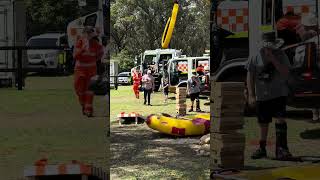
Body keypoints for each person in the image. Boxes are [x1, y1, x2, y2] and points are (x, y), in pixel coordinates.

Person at [246, 31, 293, 160]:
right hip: (262, 95)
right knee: (263, 123)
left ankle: (282, 149)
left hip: (279, 94)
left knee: (280, 119)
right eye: (265, 46)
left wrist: (273, 59)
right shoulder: (255, 55)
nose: (267, 48)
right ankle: (262, 149)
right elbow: (250, 76)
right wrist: (251, 95)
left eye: (270, 46)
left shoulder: (281, 54)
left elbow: (286, 73)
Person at [73, 26, 104, 117]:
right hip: (80, 70)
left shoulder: (95, 44)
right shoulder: (79, 42)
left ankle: (88, 110)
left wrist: (94, 61)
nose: (89, 36)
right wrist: (83, 48)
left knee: (90, 91)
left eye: (91, 34)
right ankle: (83, 105)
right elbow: (75, 56)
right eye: (88, 34)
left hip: (91, 70)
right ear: (84, 34)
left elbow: (100, 54)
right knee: (79, 90)